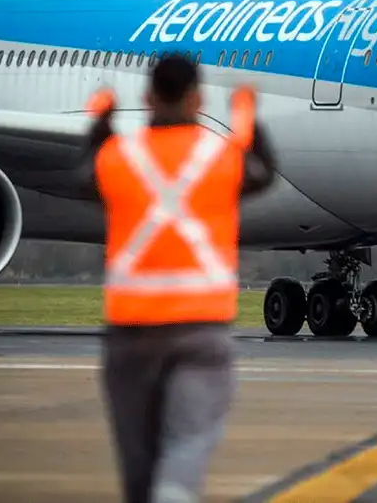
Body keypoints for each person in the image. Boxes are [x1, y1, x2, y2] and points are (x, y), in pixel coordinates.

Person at [81, 52, 277, 503]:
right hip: (201, 332)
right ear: (198, 99)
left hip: (131, 336)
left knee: (138, 465)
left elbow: (84, 175)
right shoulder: (220, 156)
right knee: (187, 442)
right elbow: (262, 171)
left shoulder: (119, 156)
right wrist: (248, 116)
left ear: (148, 97)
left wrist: (100, 122)